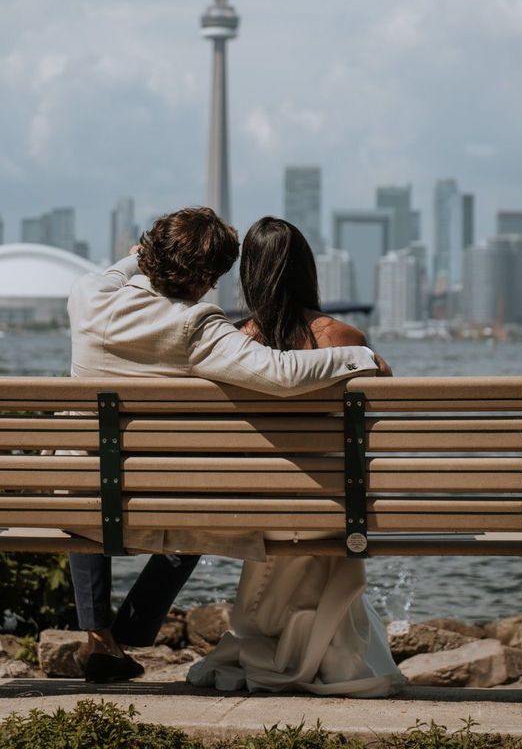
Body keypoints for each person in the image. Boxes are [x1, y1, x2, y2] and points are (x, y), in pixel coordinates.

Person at [66, 207, 392, 684]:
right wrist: (361, 356)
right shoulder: (199, 326)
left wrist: (140, 256)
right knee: (199, 513)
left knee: (91, 481)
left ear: (150, 255)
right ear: (207, 280)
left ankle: (99, 634)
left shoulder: (87, 295)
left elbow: (120, 269)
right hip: (161, 499)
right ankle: (133, 629)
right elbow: (281, 373)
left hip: (71, 491)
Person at [187, 216, 404, 697]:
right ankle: (328, 648)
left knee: (285, 497)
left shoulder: (235, 345)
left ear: (250, 276)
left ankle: (271, 634)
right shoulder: (344, 340)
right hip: (331, 508)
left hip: (258, 511)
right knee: (329, 489)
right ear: (309, 271)